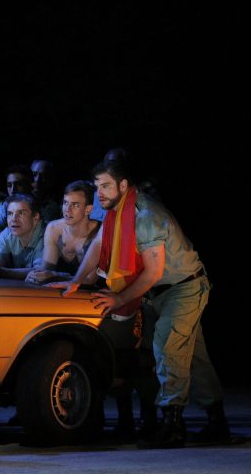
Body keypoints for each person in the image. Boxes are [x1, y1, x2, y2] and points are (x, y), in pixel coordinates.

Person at [52, 162, 230, 448]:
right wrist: (76, 280)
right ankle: (216, 422)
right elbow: (99, 245)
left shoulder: (146, 215)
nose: (99, 193)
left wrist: (119, 298)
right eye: (97, 186)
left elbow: (153, 272)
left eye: (106, 186)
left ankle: (173, 427)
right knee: (191, 356)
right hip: (156, 293)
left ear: (124, 186)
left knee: (167, 347)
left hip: (182, 288)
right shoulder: (113, 210)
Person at [25, 181, 100, 284]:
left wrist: (56, 275)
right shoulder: (54, 228)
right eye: (65, 203)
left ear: (88, 209)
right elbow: (46, 269)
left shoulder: (100, 232)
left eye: (75, 205)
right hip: (64, 288)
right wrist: (36, 275)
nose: (67, 210)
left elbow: (90, 280)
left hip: (99, 290)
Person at [0, 194, 45, 279]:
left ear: (35, 217)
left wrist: (3, 272)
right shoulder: (7, 233)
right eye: (10, 213)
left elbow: (40, 272)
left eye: (21, 213)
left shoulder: (46, 235)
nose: (13, 219)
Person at [0, 165, 33, 263]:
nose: (13, 190)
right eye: (9, 185)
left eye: (18, 184)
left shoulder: (42, 207)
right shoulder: (5, 206)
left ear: (29, 184)